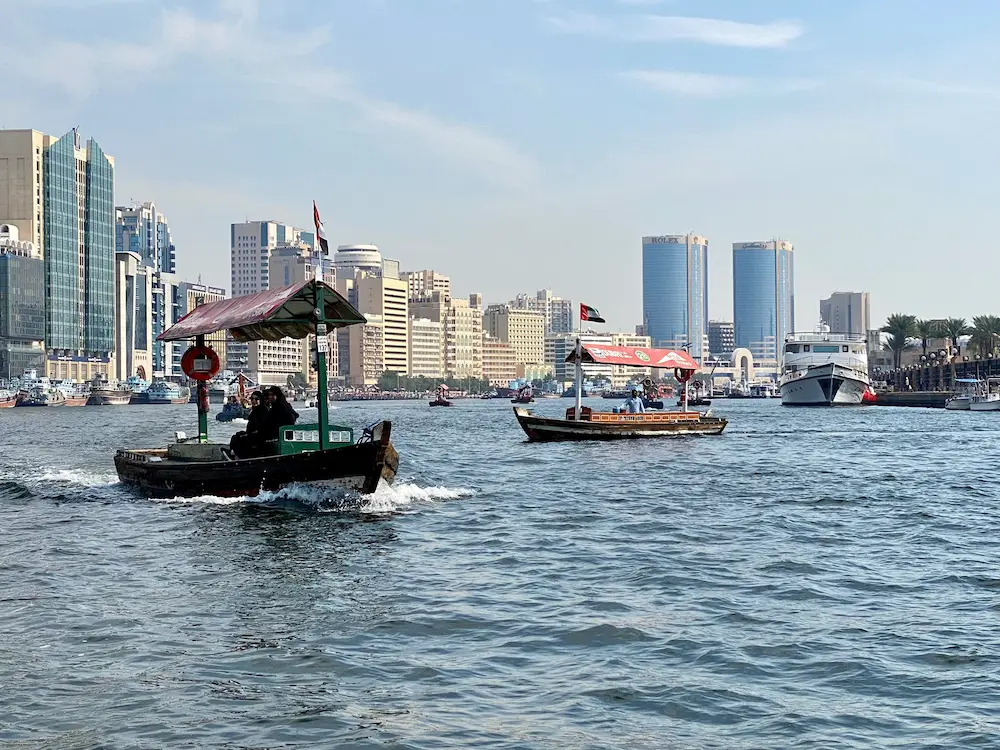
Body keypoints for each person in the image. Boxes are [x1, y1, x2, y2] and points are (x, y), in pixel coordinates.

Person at [229, 391, 269, 458]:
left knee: (239, 438)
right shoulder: (254, 411)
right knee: (236, 436)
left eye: (256, 399)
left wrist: (251, 433)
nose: (254, 401)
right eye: (252, 399)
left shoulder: (264, 411)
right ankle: (234, 453)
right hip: (252, 434)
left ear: (261, 400)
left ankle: (239, 456)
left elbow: (263, 427)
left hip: (259, 436)